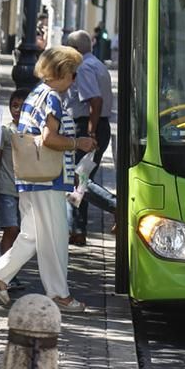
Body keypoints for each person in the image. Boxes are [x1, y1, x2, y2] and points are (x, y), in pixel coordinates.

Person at [0, 46, 96, 314]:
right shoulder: (52, 98)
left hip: (31, 177)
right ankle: (59, 294)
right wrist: (78, 142)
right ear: (61, 71)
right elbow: (50, 139)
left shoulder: (36, 94)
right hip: (48, 179)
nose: (74, 79)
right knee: (55, 238)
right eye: (73, 73)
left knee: (33, 235)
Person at [63, 30, 114, 246]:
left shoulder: (83, 67)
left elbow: (95, 100)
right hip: (97, 125)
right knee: (81, 179)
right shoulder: (97, 64)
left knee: (79, 177)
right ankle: (78, 229)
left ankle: (116, 206)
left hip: (88, 126)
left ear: (74, 49)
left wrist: (90, 132)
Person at [0, 88, 31, 289]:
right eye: (14, 106)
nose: (17, 110)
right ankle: (2, 273)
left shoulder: (33, 132)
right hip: (6, 187)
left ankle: (9, 273)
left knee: (20, 233)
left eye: (22, 106)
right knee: (11, 228)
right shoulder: (6, 131)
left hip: (25, 189)